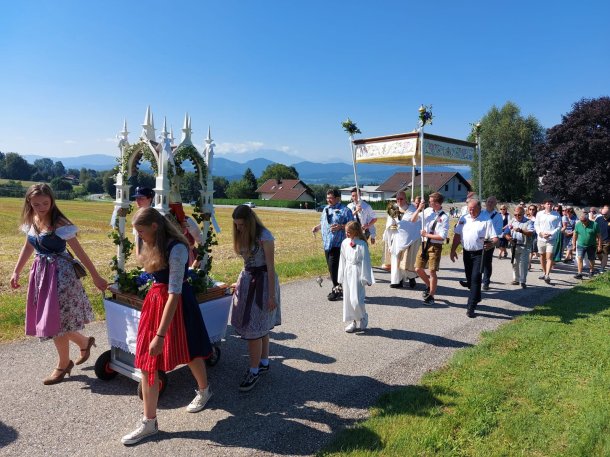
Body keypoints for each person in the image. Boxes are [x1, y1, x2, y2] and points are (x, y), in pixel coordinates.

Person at [122, 207, 213, 445]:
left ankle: (204, 390)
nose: (139, 236)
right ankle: (149, 422)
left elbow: (175, 292)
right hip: (155, 301)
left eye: (141, 231)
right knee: (147, 362)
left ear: (155, 226)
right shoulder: (151, 242)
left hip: (177, 304)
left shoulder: (178, 248)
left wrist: (160, 335)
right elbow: (150, 271)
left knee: (190, 351)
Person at [10, 184, 108, 385]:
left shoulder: (60, 224)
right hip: (41, 274)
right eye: (36, 204)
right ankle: (84, 342)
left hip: (61, 277)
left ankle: (63, 364)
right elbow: (28, 246)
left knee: (54, 321)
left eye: (45, 203)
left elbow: (80, 253)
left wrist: (96, 277)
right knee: (54, 320)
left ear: (52, 201)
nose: (41, 207)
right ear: (29, 203)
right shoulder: (32, 219)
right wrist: (16, 271)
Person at [230, 205, 281, 391]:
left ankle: (254, 370)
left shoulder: (265, 236)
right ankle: (264, 363)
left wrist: (271, 296)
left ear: (250, 222)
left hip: (263, 284)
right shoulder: (242, 234)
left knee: (255, 329)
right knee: (259, 327)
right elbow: (247, 264)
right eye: (236, 225)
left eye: (242, 225)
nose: (239, 228)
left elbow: (270, 267)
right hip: (247, 280)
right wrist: (239, 282)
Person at [450, 198, 498, 317]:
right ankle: (477, 296)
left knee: (476, 278)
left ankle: (470, 306)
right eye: (469, 209)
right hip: (466, 253)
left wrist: (491, 243)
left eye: (473, 209)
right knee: (470, 279)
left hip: (480, 253)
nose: (471, 211)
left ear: (479, 208)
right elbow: (457, 235)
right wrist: (453, 250)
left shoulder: (486, 220)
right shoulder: (463, 218)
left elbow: (495, 239)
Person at [312, 189, 354, 301]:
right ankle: (340, 288)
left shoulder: (345, 210)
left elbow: (353, 225)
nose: (328, 200)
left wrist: (341, 227)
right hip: (327, 244)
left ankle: (336, 290)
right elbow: (324, 222)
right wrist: (317, 227)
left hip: (338, 244)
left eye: (331, 198)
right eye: (327, 198)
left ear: (337, 198)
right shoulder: (325, 209)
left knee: (334, 268)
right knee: (332, 269)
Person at [412, 192, 450, 305]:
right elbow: (413, 220)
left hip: (435, 246)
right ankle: (430, 285)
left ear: (437, 203)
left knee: (432, 271)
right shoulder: (427, 211)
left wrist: (426, 234)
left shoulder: (444, 217)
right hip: (424, 244)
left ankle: (431, 296)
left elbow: (442, 236)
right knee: (418, 268)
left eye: (431, 201)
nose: (428, 203)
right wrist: (419, 209)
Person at [338, 221, 375, 333]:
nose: (346, 234)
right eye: (346, 232)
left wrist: (366, 278)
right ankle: (353, 321)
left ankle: (363, 316)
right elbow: (342, 260)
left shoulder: (362, 244)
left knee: (356, 299)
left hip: (358, 273)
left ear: (355, 231)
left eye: (349, 232)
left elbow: (366, 261)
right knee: (348, 299)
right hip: (348, 272)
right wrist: (341, 276)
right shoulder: (345, 243)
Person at [389, 193, 421, 289]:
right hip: (397, 238)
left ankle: (411, 278)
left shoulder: (412, 209)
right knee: (396, 260)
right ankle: (397, 281)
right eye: (397, 199)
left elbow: (415, 223)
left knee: (408, 261)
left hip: (410, 239)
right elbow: (391, 223)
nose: (399, 200)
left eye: (401, 199)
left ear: (405, 199)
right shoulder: (393, 209)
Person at [503, 205, 535, 288]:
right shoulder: (512, 221)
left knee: (523, 264)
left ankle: (522, 281)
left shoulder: (529, 222)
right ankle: (516, 279)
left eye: (519, 215)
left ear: (523, 214)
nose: (517, 216)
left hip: (525, 246)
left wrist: (521, 230)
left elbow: (530, 233)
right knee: (514, 263)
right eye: (515, 215)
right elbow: (506, 232)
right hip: (514, 245)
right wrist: (508, 237)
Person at [534, 199, 561, 284]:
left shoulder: (556, 214)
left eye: (551, 204)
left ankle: (547, 275)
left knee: (549, 257)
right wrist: (540, 233)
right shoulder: (539, 214)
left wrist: (551, 233)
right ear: (544, 205)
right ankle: (544, 272)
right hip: (541, 238)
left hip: (551, 239)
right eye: (548, 204)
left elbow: (559, 227)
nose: (549, 205)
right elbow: (536, 225)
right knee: (542, 256)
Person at [169, 202, 204, 268]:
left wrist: (195, 263)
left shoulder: (187, 221)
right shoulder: (163, 220)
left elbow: (202, 242)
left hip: (188, 259)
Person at [480, 196, 503, 290]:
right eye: (488, 201)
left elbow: (499, 230)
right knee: (477, 261)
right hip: (479, 240)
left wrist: (491, 237)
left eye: (492, 202)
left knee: (487, 262)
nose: (489, 203)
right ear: (486, 203)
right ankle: (475, 280)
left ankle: (486, 282)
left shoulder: (498, 216)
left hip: (489, 241)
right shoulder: (481, 213)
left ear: (495, 204)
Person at [572, 210, 602, 280]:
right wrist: (574, 245)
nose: (583, 223)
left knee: (591, 259)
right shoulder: (578, 224)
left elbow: (599, 236)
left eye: (584, 221)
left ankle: (591, 272)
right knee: (580, 258)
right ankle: (579, 273)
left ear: (587, 219)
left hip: (591, 245)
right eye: (582, 221)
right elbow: (575, 235)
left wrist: (599, 246)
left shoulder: (594, 224)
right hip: (580, 245)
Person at [133, 186, 154, 256]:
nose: (137, 201)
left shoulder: (154, 217)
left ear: (149, 199)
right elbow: (137, 239)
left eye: (141, 198)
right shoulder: (137, 216)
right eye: (136, 198)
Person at [527, 204, 539, 269]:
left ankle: (529, 263)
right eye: (530, 209)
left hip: (534, 235)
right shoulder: (525, 217)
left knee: (531, 250)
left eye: (533, 209)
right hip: (526, 234)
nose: (531, 211)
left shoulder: (537, 218)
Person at [600, 205, 610, 272]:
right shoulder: (599, 219)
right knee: (598, 253)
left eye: (605, 214)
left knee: (605, 254)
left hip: (608, 241)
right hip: (599, 240)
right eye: (602, 214)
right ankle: (603, 263)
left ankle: (602, 269)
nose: (603, 215)